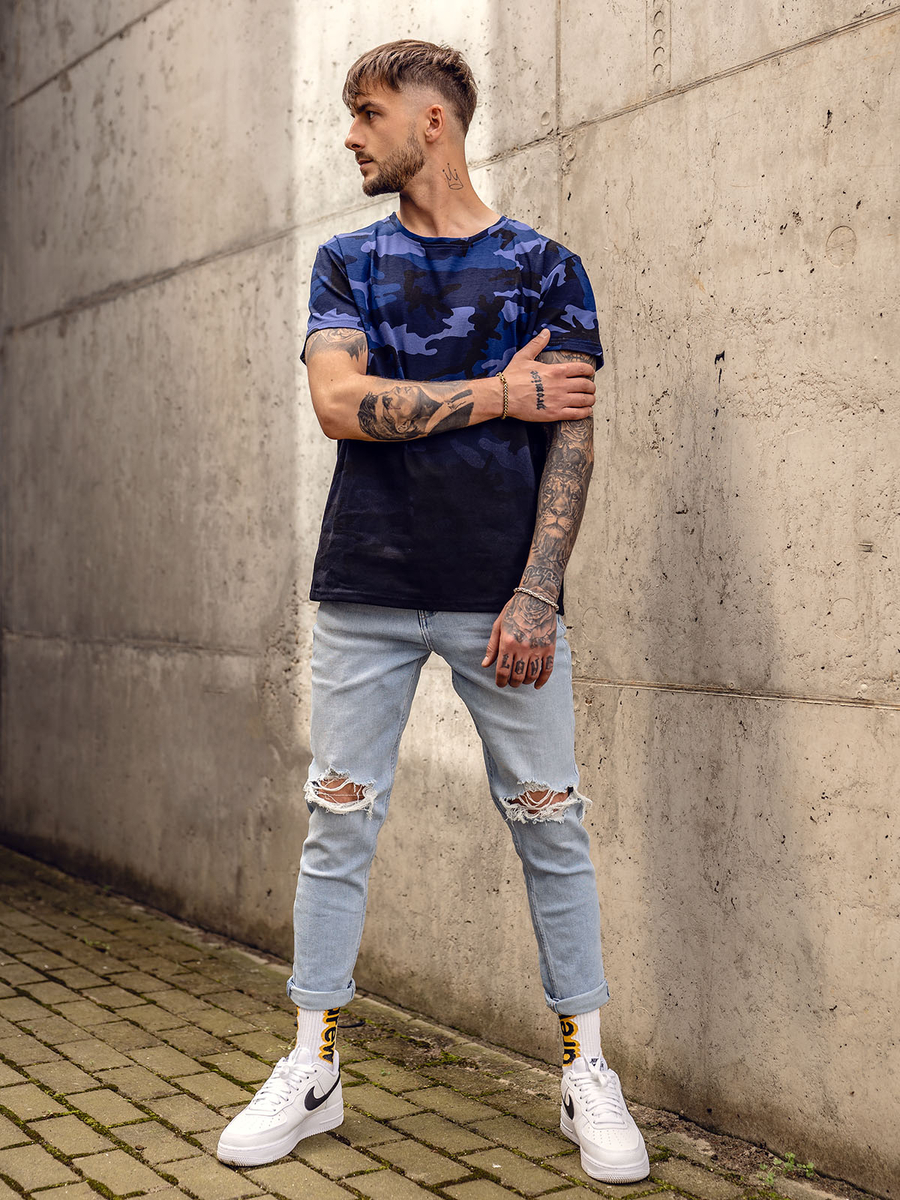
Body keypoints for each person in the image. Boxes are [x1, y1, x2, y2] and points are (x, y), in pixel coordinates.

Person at [217, 39, 649, 1185]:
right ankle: (313, 1065)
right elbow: (339, 402)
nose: (350, 135)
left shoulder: (547, 269)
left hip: (502, 599)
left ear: (433, 121)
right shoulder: (347, 263)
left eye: (368, 113)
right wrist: (503, 390)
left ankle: (586, 1072)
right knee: (337, 824)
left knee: (551, 824)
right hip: (366, 591)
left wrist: (539, 591)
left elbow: (573, 444)